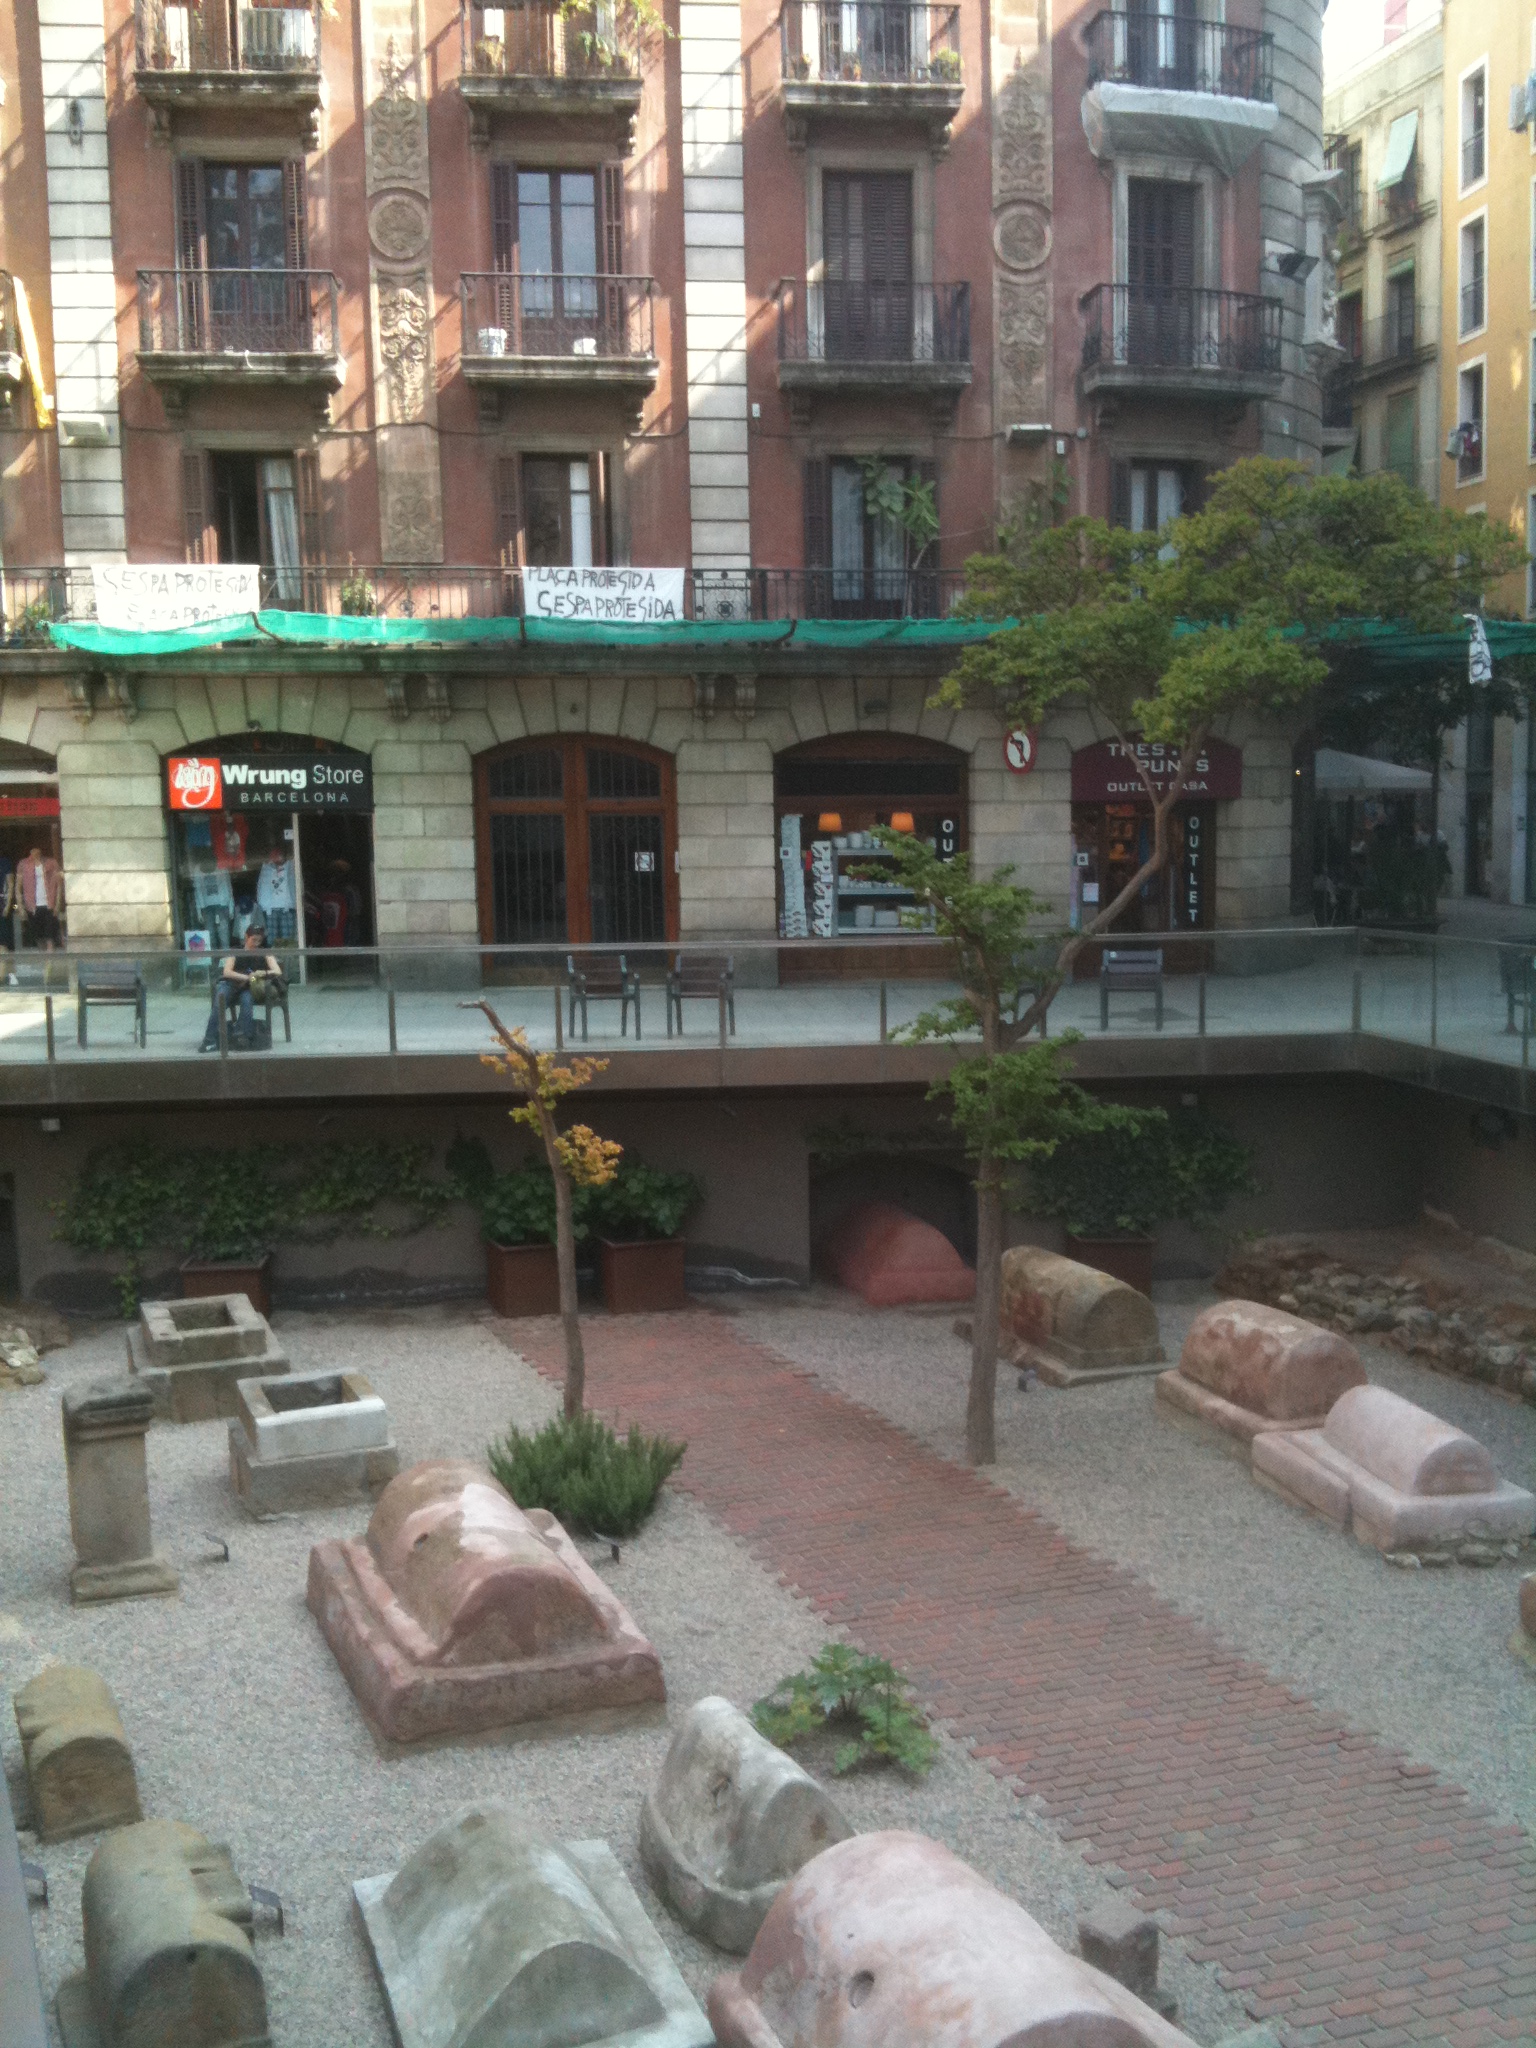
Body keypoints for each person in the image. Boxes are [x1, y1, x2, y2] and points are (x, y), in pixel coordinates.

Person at [199, 925, 283, 1051]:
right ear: (246, 937)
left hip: (251, 985)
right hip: (231, 983)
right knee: (219, 1004)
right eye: (253, 940)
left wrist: (261, 973)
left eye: (259, 941)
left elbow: (277, 971)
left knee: (247, 1001)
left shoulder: (264, 952)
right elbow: (227, 972)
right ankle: (209, 1039)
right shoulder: (236, 950)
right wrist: (246, 977)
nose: (256, 943)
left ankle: (241, 1036)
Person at [17, 844, 63, 950]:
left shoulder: (51, 863)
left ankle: (50, 962)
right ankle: (44, 962)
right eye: (32, 850)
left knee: (50, 937)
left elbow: (59, 885)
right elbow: (18, 887)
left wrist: (57, 903)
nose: (35, 852)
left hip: (49, 904)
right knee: (38, 937)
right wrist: (20, 906)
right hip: (32, 906)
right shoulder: (23, 864)